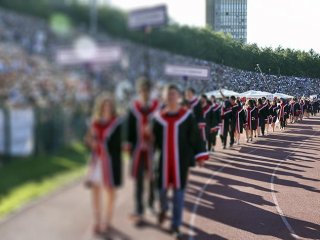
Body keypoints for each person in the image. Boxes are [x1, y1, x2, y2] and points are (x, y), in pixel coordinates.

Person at [153, 84, 208, 239]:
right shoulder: (158, 118)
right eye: (168, 94)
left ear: (179, 97)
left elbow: (195, 137)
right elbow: (153, 141)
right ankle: (163, 207)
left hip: (180, 161)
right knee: (161, 191)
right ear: (165, 97)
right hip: (163, 161)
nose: (171, 97)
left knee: (179, 194)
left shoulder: (186, 116)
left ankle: (176, 225)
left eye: (174, 94)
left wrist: (200, 156)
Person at [84, 93, 123, 235]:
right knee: (95, 193)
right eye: (104, 105)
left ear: (112, 107)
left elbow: (119, 144)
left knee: (111, 193)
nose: (107, 108)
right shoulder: (95, 122)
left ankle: (107, 221)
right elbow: (87, 139)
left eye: (109, 105)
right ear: (100, 107)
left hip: (111, 163)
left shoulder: (117, 123)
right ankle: (97, 221)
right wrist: (91, 143)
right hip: (97, 162)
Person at [126, 77, 159, 224]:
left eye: (147, 90)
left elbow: (160, 128)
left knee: (151, 178)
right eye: (142, 90)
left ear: (150, 92)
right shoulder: (134, 108)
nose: (145, 93)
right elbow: (129, 130)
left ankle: (150, 204)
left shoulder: (156, 108)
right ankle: (139, 208)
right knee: (139, 180)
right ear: (139, 91)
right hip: (138, 150)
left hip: (152, 149)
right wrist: (129, 146)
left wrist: (153, 133)